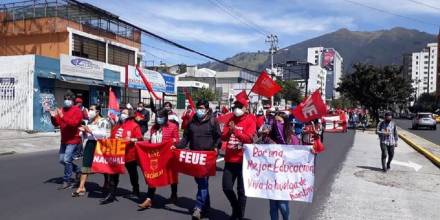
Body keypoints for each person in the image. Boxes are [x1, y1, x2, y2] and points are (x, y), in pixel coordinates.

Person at [176, 100, 222, 219]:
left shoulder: (213, 121)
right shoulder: (192, 122)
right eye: (198, 108)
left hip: (207, 157)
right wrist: (176, 146)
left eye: (202, 108)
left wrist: (216, 147)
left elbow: (218, 137)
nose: (199, 110)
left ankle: (198, 207)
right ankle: (206, 206)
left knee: (202, 183)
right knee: (201, 183)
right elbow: (185, 138)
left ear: (207, 109)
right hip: (195, 157)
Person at [138, 108, 180, 209]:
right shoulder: (154, 128)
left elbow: (177, 140)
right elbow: (151, 141)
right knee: (153, 175)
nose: (158, 119)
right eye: (157, 117)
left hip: (169, 156)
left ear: (165, 117)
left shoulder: (172, 126)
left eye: (161, 117)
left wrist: (171, 143)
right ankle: (149, 199)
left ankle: (174, 195)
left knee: (171, 176)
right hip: (156, 156)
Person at [221, 99, 256, 220]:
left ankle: (240, 215)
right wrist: (229, 130)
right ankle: (236, 208)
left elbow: (249, 139)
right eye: (235, 106)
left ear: (246, 108)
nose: (236, 108)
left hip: (243, 161)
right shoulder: (230, 120)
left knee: (241, 191)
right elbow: (224, 137)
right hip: (229, 161)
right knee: (226, 187)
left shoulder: (250, 121)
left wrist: (235, 131)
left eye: (240, 106)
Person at [101, 107, 142, 204]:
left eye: (125, 113)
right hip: (117, 155)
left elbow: (140, 139)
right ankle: (111, 194)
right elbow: (112, 137)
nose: (122, 114)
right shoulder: (117, 125)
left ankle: (136, 191)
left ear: (129, 115)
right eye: (122, 112)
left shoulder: (134, 125)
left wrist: (131, 139)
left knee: (132, 173)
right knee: (113, 174)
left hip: (129, 154)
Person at [267, 112, 300, 220]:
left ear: (285, 123)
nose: (276, 124)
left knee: (282, 206)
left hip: (285, 177)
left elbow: (300, 155)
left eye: (279, 121)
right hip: (271, 176)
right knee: (273, 207)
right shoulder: (268, 137)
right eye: (275, 121)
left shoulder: (292, 138)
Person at [72, 104, 109, 197]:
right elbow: (86, 133)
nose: (89, 111)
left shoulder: (103, 121)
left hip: (100, 145)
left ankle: (107, 182)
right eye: (89, 109)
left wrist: (89, 131)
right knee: (86, 165)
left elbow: (103, 134)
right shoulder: (90, 121)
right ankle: (81, 187)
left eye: (92, 109)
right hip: (90, 144)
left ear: (97, 111)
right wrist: (83, 131)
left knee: (102, 165)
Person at [50, 90, 84, 189]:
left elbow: (74, 124)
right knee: (62, 160)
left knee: (67, 160)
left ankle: (66, 180)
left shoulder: (77, 111)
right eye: (65, 99)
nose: (67, 100)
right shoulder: (62, 110)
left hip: (73, 140)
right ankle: (78, 170)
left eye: (69, 99)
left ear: (73, 100)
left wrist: (62, 116)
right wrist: (53, 117)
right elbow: (56, 123)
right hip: (64, 139)